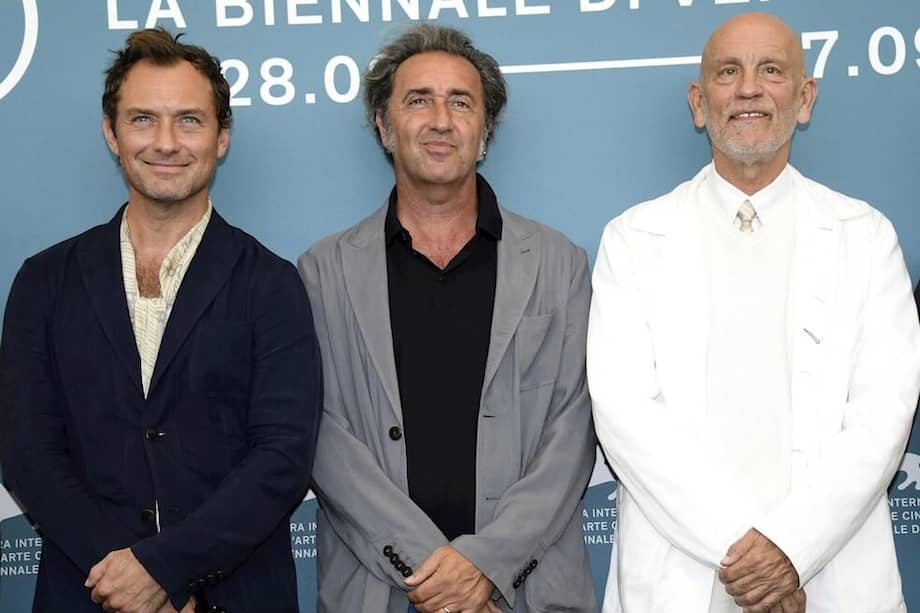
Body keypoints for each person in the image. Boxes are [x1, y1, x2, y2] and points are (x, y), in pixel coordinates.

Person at [587, 11, 920, 613]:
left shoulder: (866, 237)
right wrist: (751, 558)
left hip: (830, 579)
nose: (748, 88)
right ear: (698, 100)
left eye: (771, 70)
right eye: (727, 72)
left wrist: (790, 548)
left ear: (804, 97)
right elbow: (625, 414)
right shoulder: (633, 239)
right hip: (681, 578)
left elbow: (884, 413)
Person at [0, 28, 321, 613]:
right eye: (144, 119)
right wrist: (126, 576)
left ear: (222, 137)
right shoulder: (44, 281)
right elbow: (27, 451)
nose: (167, 142)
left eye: (190, 121)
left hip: (235, 595)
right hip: (85, 591)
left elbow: (282, 457)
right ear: (112, 132)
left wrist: (165, 571)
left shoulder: (272, 285)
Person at [298, 24, 598, 613]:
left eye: (461, 103)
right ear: (384, 127)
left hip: (525, 593)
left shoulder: (560, 264)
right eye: (419, 101)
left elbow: (574, 428)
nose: (441, 120)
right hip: (382, 591)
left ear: (485, 133)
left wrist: (485, 566)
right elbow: (322, 439)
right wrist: (435, 575)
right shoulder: (322, 273)